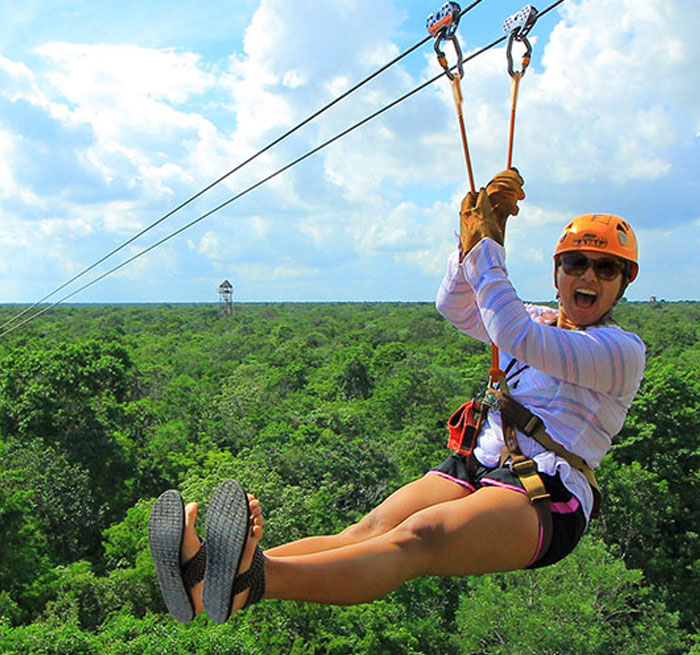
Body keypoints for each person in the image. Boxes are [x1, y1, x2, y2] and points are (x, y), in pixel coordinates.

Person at [148, 169, 646, 624]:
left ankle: (248, 581)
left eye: (606, 269)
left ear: (623, 283)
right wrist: (467, 246)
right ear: (558, 272)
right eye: (577, 263)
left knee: (418, 538)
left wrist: (488, 250)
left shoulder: (620, 351)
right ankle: (209, 579)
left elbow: (514, 333)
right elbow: (455, 306)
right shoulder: (537, 318)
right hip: (480, 464)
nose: (588, 276)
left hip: (548, 493)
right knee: (365, 532)